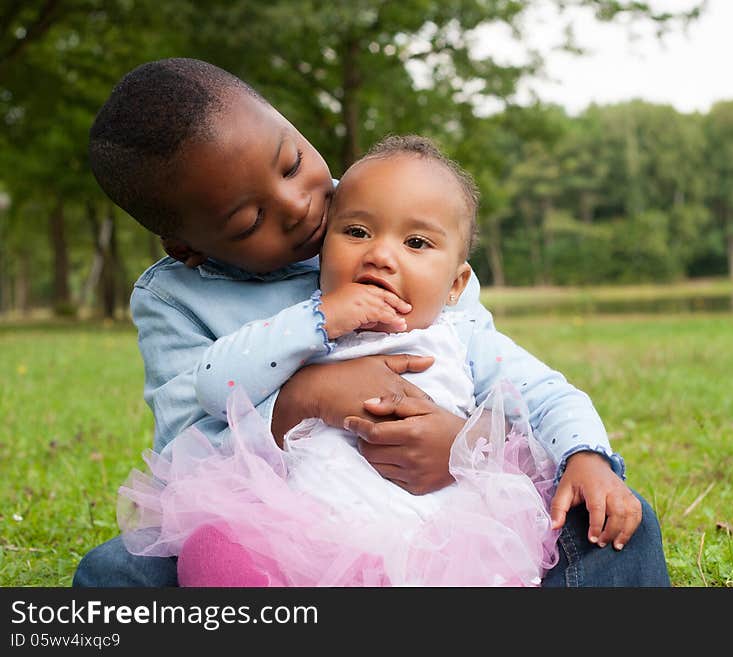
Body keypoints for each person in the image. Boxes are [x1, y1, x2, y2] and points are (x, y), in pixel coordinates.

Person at [75, 57, 670, 587]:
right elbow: (186, 455)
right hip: (283, 523)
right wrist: (306, 397)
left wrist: (466, 448)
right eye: (250, 218)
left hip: (440, 510)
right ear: (189, 248)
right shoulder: (177, 299)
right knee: (115, 574)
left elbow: (510, 388)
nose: (300, 206)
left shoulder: (389, 210)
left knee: (615, 522)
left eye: (292, 163)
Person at [119, 134, 565, 586]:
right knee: (191, 555)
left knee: (599, 522)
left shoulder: (458, 334)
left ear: (457, 284)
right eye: (355, 233)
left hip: (433, 535)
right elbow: (213, 389)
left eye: (415, 242)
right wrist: (319, 323)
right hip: (306, 528)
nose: (381, 254)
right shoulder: (307, 329)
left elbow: (543, 399)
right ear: (324, 251)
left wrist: (574, 453)